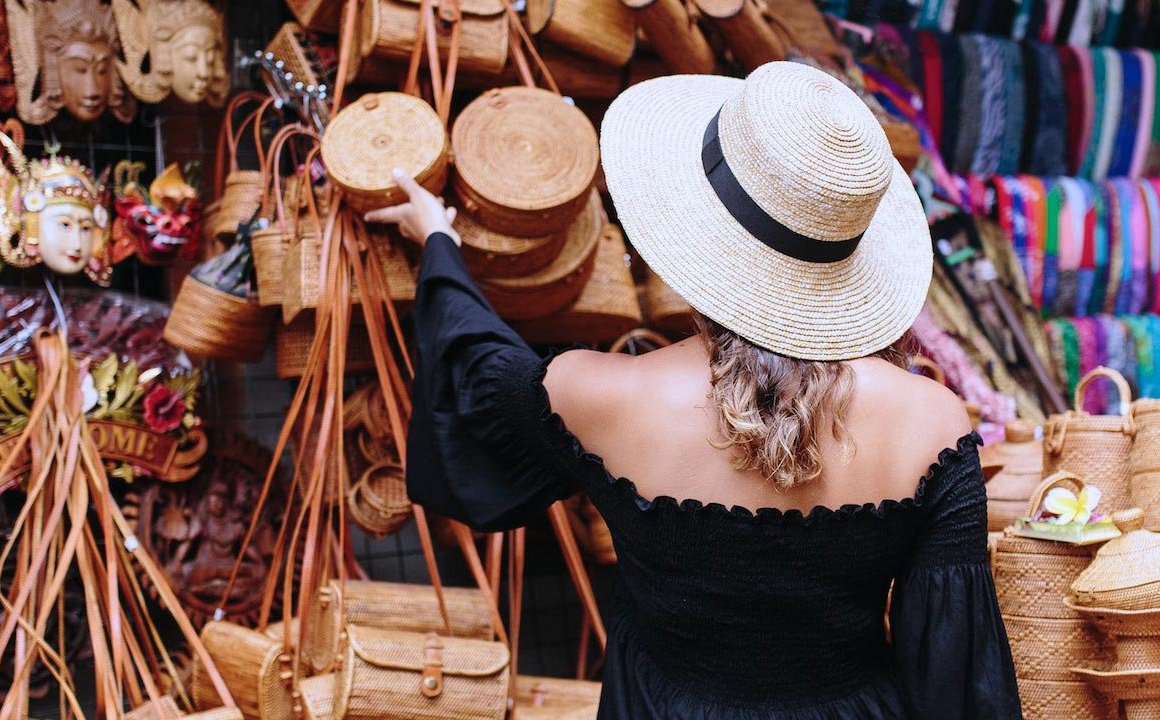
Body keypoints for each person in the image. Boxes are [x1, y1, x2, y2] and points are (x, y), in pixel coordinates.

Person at [368, 61, 1021, 719]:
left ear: (695, 229)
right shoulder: (932, 423)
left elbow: (479, 372)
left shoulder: (599, 396)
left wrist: (442, 245)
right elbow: (956, 678)